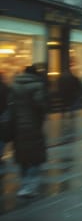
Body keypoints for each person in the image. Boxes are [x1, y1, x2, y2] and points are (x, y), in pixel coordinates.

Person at [11, 65, 47, 197]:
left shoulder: (14, 86)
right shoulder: (38, 85)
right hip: (33, 126)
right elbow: (40, 106)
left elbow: (11, 107)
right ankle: (31, 186)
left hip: (17, 126)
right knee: (36, 157)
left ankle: (24, 185)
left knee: (22, 157)